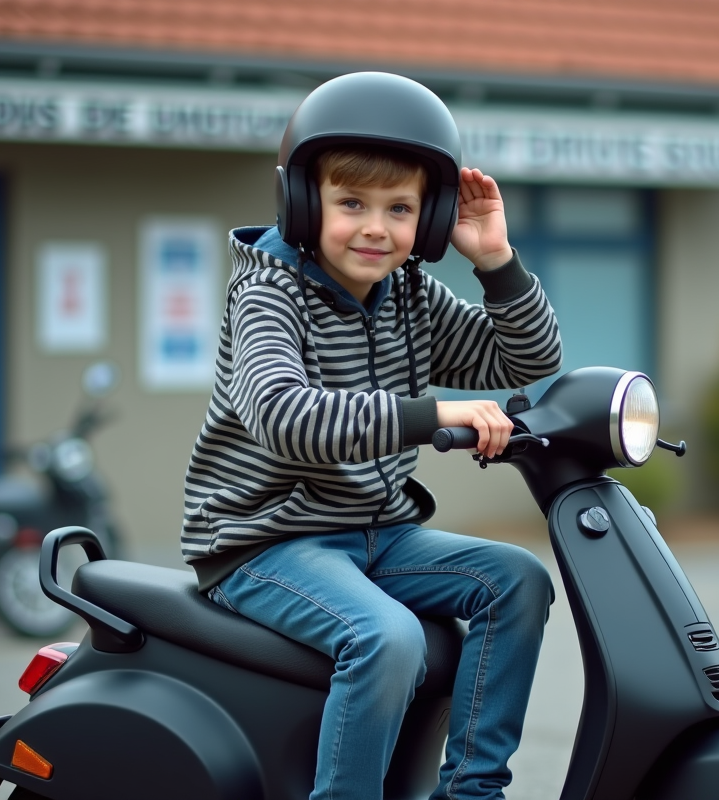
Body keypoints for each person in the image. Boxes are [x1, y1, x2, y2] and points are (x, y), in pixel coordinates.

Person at [181, 71, 563, 800]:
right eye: (351, 202)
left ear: (429, 217)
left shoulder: (411, 292)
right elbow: (287, 418)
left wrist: (495, 262)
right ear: (302, 201)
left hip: (376, 532)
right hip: (263, 542)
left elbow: (526, 361)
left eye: (400, 208)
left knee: (517, 582)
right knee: (388, 638)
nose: (375, 228)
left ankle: (471, 792)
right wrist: (436, 414)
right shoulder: (266, 292)